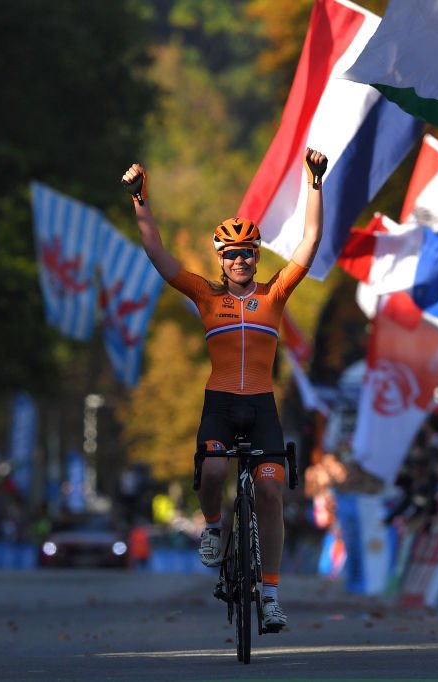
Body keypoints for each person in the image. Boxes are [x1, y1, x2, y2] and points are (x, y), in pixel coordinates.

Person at [121, 148, 328, 632]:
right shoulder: (204, 295)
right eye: (232, 253)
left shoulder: (274, 294)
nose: (240, 259)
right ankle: (214, 527)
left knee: (271, 492)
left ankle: (271, 594)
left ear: (257, 256)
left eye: (248, 252)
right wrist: (140, 199)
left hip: (261, 405)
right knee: (213, 469)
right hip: (220, 403)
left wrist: (314, 183)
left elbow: (311, 238)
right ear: (220, 259)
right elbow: (156, 252)